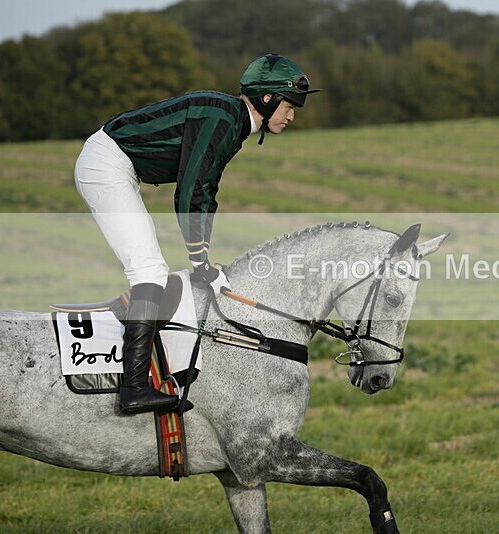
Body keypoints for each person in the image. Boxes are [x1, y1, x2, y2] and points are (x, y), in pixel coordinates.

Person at [74, 53, 319, 415]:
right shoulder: (222, 119)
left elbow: (206, 192)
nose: (292, 115)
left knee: (154, 269)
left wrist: (202, 260)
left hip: (118, 166)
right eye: (289, 105)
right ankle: (134, 389)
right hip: (105, 165)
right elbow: (190, 192)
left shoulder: (232, 124)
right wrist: (200, 260)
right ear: (266, 99)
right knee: (148, 270)